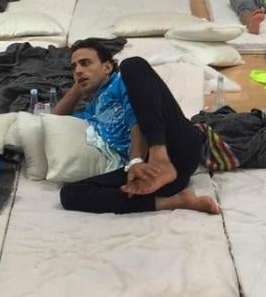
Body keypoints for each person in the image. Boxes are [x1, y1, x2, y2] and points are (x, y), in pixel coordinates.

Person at [56, 42, 220, 216]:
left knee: (132, 64)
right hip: (154, 176)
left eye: (85, 63)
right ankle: (175, 201)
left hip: (175, 146)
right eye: (74, 67)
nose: (78, 70)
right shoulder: (91, 111)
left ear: (107, 67)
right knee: (70, 194)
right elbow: (55, 120)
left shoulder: (123, 83)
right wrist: (78, 86)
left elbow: (136, 116)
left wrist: (135, 160)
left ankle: (159, 158)